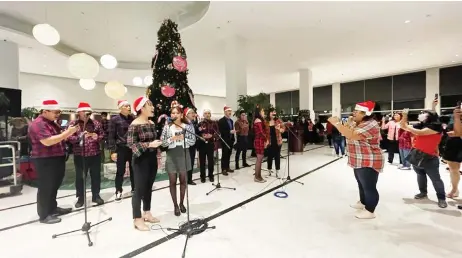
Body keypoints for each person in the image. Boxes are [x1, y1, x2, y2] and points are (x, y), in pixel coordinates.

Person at [328, 101, 384, 219]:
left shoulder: (370, 124)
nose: (353, 112)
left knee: (369, 187)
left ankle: (370, 210)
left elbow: (352, 135)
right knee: (361, 184)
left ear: (365, 113)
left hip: (368, 160)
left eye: (356, 111)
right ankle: (363, 202)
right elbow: (347, 131)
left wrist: (337, 123)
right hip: (358, 159)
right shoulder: (360, 123)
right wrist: (347, 122)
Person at [28, 100, 77, 224]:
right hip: (45, 159)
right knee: (46, 186)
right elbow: (47, 141)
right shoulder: (38, 124)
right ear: (45, 111)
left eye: (59, 112)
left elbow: (60, 136)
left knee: (54, 185)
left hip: (56, 158)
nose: (58, 114)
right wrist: (68, 132)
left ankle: (53, 208)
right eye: (56, 112)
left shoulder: (52, 123)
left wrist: (68, 133)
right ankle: (44, 215)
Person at [127, 96, 162, 231]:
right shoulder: (134, 125)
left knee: (148, 187)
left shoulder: (151, 123)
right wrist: (149, 144)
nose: (153, 108)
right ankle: (137, 218)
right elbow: (131, 144)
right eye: (150, 105)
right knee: (139, 190)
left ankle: (147, 212)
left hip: (152, 158)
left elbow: (153, 140)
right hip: (140, 160)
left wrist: (158, 145)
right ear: (142, 109)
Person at [400, 110, 447, 208]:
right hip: (417, 154)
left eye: (423, 113)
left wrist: (408, 126)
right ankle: (423, 192)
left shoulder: (436, 127)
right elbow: (403, 126)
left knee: (436, 179)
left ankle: (441, 198)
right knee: (420, 175)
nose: (420, 115)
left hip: (430, 157)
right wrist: (404, 116)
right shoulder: (422, 125)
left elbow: (419, 133)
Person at [161, 102, 196, 216]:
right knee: (172, 181)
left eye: (177, 113)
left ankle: (181, 203)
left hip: (184, 154)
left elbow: (193, 141)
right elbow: (163, 142)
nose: (174, 114)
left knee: (183, 181)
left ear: (181, 115)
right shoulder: (167, 127)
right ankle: (175, 205)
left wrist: (183, 138)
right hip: (171, 155)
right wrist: (172, 138)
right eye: (173, 113)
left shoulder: (188, 126)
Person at [67, 102, 104, 208]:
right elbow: (69, 138)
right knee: (80, 177)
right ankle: (81, 198)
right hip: (80, 155)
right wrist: (80, 137)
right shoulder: (73, 124)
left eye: (88, 112)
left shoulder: (96, 123)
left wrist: (97, 137)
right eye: (84, 112)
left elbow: (102, 135)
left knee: (96, 176)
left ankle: (96, 196)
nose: (86, 114)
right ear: (79, 112)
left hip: (95, 154)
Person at [108, 100, 135, 201]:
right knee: (120, 171)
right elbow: (111, 136)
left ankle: (134, 188)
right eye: (126, 106)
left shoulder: (132, 118)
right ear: (120, 107)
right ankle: (118, 190)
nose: (129, 107)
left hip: (132, 148)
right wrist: (113, 151)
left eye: (129, 105)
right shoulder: (114, 119)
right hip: (121, 148)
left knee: (134, 170)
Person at [441, 113, 462, 198]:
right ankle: (454, 189)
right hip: (452, 145)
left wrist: (457, 133)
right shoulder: (452, 117)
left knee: (454, 170)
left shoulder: (455, 118)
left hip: (457, 144)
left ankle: (454, 189)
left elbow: (458, 133)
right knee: (453, 169)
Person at [198, 109, 219, 182]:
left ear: (210, 115)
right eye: (205, 113)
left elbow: (218, 134)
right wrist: (202, 135)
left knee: (211, 161)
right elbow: (197, 134)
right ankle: (202, 177)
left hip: (210, 144)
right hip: (202, 145)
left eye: (208, 113)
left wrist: (212, 136)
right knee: (202, 162)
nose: (207, 114)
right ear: (203, 115)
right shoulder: (200, 124)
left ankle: (211, 175)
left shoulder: (214, 123)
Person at [265, 107, 285, 177]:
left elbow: (283, 129)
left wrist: (279, 129)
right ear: (269, 113)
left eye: (274, 112)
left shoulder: (278, 120)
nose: (273, 113)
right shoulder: (266, 121)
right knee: (269, 157)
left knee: (277, 157)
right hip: (269, 142)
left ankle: (277, 171)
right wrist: (265, 140)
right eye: (272, 112)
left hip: (277, 141)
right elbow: (264, 132)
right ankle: (269, 171)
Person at [218, 105, 235, 173]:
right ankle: (223, 169)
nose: (230, 112)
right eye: (228, 111)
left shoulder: (231, 121)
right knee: (224, 155)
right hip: (225, 141)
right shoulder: (221, 121)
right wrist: (229, 131)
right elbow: (221, 131)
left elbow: (231, 129)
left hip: (230, 140)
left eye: (230, 111)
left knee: (229, 154)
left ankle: (227, 167)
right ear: (225, 112)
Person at [253, 105, 268, 183]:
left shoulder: (259, 120)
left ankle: (259, 175)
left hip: (260, 140)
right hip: (259, 140)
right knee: (259, 159)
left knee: (260, 159)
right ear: (259, 112)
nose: (263, 112)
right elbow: (261, 132)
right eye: (262, 111)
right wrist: (266, 139)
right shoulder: (258, 120)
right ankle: (257, 176)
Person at [184, 108, 198, 185]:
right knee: (187, 164)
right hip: (187, 147)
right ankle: (185, 179)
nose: (193, 114)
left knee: (191, 163)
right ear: (186, 115)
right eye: (191, 113)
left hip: (192, 146)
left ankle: (189, 179)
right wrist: (190, 142)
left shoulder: (191, 123)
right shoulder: (184, 124)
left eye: (193, 112)